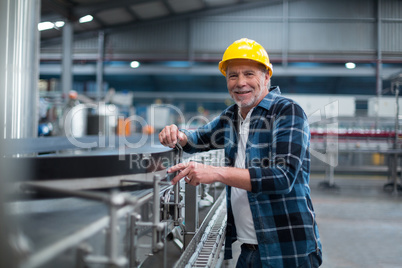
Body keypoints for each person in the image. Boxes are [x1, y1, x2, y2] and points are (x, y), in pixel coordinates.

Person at [159, 38, 322, 268]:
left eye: (249, 74)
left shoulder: (287, 111)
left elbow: (282, 177)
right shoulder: (232, 116)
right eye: (233, 75)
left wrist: (216, 173)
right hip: (250, 249)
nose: (240, 82)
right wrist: (178, 134)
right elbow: (198, 139)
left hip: (287, 249)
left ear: (266, 77)